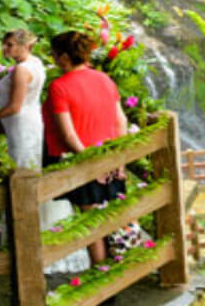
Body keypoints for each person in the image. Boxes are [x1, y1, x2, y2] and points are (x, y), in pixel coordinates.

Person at [0, 29, 89, 274]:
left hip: (22, 124)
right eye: (4, 45)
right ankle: (41, 235)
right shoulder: (36, 64)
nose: (5, 50)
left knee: (25, 176)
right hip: (31, 122)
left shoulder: (23, 70)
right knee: (31, 173)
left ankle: (31, 239)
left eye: (10, 45)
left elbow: (14, 107)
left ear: (26, 45)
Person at [43, 29, 129, 266]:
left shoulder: (59, 87)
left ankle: (102, 280)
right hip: (111, 158)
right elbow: (121, 120)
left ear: (63, 57)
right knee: (112, 218)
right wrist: (117, 159)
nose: (53, 59)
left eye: (53, 55)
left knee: (91, 222)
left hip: (85, 160)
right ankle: (117, 273)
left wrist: (91, 161)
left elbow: (68, 134)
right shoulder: (104, 79)